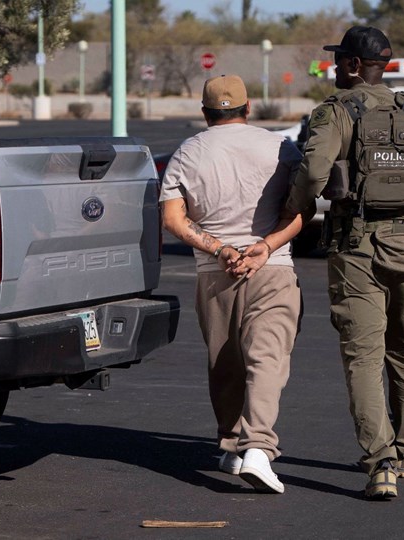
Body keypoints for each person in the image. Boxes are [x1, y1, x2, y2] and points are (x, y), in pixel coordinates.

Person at [232, 26, 404, 500]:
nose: (333, 67)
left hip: (358, 251)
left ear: (353, 65)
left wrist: (292, 209)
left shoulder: (336, 113)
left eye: (338, 60)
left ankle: (381, 463)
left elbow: (311, 172)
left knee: (364, 359)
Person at [159, 74, 304, 494]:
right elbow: (301, 210)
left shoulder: (187, 153)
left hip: (213, 274)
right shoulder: (282, 147)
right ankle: (257, 448)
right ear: (248, 107)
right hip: (271, 267)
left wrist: (219, 248)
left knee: (225, 362)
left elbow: (172, 220)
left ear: (205, 112)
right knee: (266, 356)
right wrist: (265, 245)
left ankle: (234, 445)